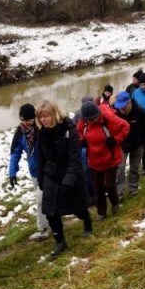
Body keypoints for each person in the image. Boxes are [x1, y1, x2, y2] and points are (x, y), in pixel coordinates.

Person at [36, 100, 92, 257]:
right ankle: (60, 241)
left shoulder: (69, 130)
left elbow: (74, 158)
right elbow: (41, 158)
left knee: (78, 208)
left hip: (70, 175)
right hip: (51, 176)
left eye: (46, 116)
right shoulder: (42, 133)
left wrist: (68, 181)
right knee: (50, 211)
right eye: (41, 117)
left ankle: (87, 222)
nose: (43, 120)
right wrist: (41, 179)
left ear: (54, 114)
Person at [76, 101, 130, 220]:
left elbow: (125, 127)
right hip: (94, 159)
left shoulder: (108, 118)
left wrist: (116, 140)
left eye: (94, 118)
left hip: (111, 157)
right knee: (97, 187)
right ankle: (101, 212)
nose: (92, 121)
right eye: (89, 119)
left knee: (110, 186)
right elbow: (79, 132)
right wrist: (82, 140)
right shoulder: (83, 122)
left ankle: (115, 204)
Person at [8, 104, 50, 241]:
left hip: (49, 170)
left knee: (40, 200)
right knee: (42, 199)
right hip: (35, 173)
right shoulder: (20, 132)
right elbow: (15, 152)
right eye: (23, 120)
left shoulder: (42, 128)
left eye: (29, 120)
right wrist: (12, 171)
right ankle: (48, 225)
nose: (26, 123)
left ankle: (44, 228)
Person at [114, 91, 145, 201]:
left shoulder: (141, 112)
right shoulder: (116, 114)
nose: (121, 108)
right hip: (122, 145)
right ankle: (119, 193)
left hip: (137, 144)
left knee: (134, 168)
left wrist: (144, 142)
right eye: (119, 106)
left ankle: (133, 188)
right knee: (120, 168)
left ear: (129, 102)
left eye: (123, 106)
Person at [72, 96, 96, 205]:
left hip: (94, 146)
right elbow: (73, 130)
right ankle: (91, 195)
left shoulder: (98, 112)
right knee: (87, 172)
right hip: (83, 148)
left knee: (93, 172)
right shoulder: (77, 115)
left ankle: (95, 194)